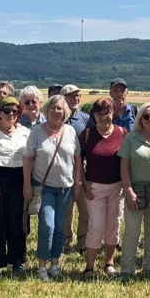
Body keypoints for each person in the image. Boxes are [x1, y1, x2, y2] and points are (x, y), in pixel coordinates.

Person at [23, 95, 83, 282]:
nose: (56, 111)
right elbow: (27, 158)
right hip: (44, 188)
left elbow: (78, 158)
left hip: (65, 188)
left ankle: (55, 264)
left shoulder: (70, 131)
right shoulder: (37, 132)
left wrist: (78, 183)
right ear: (46, 110)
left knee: (59, 228)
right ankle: (42, 265)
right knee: (47, 226)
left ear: (65, 112)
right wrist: (27, 184)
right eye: (53, 108)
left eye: (60, 108)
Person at [118, 102, 150, 280]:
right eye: (146, 116)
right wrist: (128, 191)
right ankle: (127, 269)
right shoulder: (130, 139)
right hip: (135, 194)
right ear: (140, 119)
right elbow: (124, 168)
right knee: (131, 232)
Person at [0, 97, 31, 277]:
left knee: (18, 223)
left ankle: (17, 261)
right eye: (7, 111)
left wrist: (28, 184)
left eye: (15, 111)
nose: (11, 114)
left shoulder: (25, 132)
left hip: (19, 178)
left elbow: (30, 159)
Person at [79, 97, 127, 278]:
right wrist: (83, 183)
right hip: (94, 189)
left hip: (117, 188)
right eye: (100, 113)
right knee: (96, 226)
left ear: (113, 114)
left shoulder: (122, 133)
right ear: (94, 115)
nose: (104, 117)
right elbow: (78, 161)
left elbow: (127, 161)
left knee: (113, 225)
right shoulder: (87, 134)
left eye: (107, 113)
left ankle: (109, 262)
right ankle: (89, 267)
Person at [61, 84, 91, 253]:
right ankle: (66, 239)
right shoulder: (57, 117)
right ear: (64, 98)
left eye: (78, 95)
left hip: (84, 168)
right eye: (72, 96)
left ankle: (82, 241)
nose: (76, 99)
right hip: (63, 167)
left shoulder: (86, 119)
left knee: (85, 207)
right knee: (66, 207)